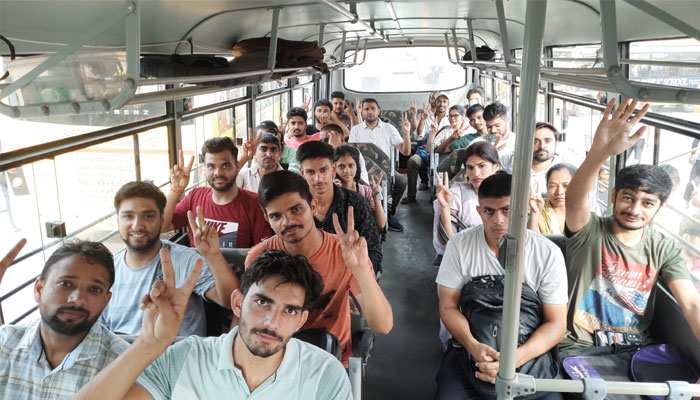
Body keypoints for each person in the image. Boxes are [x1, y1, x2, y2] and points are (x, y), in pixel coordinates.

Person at [74, 248, 352, 399]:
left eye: (289, 311)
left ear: (302, 320)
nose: (272, 322)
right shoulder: (183, 359)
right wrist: (148, 345)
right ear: (237, 303)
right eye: (262, 302)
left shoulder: (325, 376)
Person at [561, 97, 700, 351]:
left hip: (637, 349)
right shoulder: (589, 232)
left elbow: (691, 303)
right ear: (613, 195)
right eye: (628, 198)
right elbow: (574, 199)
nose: (635, 210)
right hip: (581, 347)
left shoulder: (664, 248)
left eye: (647, 203)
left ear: (661, 207)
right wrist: (599, 152)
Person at [435, 172, 567, 399]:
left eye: (507, 210)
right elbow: (448, 306)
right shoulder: (459, 245)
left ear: (523, 210)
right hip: (472, 347)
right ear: (479, 211)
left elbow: (556, 322)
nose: (499, 220)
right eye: (489, 211)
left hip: (529, 349)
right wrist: (473, 346)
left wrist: (514, 359)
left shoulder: (547, 253)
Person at [247, 170, 393, 367]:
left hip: (330, 359)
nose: (287, 222)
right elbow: (247, 322)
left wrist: (360, 270)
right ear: (267, 219)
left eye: (296, 209)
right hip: (274, 359)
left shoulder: (344, 253)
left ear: (313, 207)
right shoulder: (258, 257)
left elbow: (383, 325)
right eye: (276, 216)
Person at [101, 181, 238, 336]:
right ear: (118, 220)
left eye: (148, 216)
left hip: (177, 350)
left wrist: (214, 256)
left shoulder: (184, 260)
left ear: (162, 220)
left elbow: (229, 301)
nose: (137, 225)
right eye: (128, 216)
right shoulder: (108, 270)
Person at [0, 239, 130, 400]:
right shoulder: (4, 343)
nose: (78, 299)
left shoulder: (125, 363)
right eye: (66, 284)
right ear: (39, 289)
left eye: (94, 289)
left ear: (106, 301)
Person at [163, 137, 272, 249]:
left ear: (237, 167)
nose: (218, 172)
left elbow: (263, 253)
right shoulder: (194, 196)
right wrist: (175, 190)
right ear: (204, 168)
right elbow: (163, 226)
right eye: (211, 166)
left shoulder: (255, 204)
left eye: (225, 165)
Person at [297, 141, 383, 274]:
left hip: (350, 277)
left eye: (323, 170)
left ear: (333, 169)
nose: (318, 178)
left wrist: (354, 278)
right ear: (302, 173)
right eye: (310, 172)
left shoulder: (355, 202)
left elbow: (373, 252)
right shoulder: (295, 207)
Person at [349, 98, 411, 232]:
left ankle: (388, 213)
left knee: (401, 181)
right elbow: (352, 153)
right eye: (366, 109)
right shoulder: (355, 130)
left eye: (373, 109)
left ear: (378, 111)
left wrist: (406, 133)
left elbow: (405, 151)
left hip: (385, 170)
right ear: (362, 111)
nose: (370, 112)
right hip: (361, 170)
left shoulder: (389, 128)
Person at [432, 141, 501, 257]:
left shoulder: (507, 195)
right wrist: (445, 208)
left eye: (481, 166)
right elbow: (446, 242)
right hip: (465, 257)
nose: (476, 173)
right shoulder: (456, 194)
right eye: (470, 168)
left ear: (496, 167)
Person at [403, 105, 468, 204]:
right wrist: (433, 132)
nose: (452, 118)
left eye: (455, 116)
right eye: (450, 116)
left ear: (463, 116)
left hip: (463, 162)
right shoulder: (445, 130)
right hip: (442, 159)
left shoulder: (469, 131)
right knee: (413, 161)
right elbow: (429, 148)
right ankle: (415, 194)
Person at [334, 145, 386, 230]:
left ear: (357, 167)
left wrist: (377, 199)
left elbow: (381, 224)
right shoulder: (331, 190)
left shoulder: (365, 191)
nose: (346, 170)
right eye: (341, 166)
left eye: (351, 165)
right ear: (334, 168)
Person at [500, 121, 562, 193]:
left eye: (547, 141)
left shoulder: (564, 168)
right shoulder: (509, 160)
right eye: (535, 141)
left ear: (557, 143)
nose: (542, 146)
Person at [528, 163, 577, 235]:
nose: (559, 192)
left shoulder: (585, 212)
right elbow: (530, 238)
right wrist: (535, 213)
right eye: (553, 186)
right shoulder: (536, 208)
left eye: (566, 186)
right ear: (546, 187)